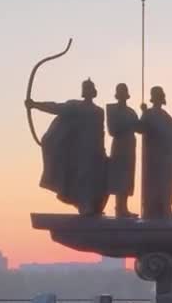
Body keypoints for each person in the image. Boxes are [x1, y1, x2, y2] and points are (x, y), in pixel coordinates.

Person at [27, 78, 107, 216]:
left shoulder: (99, 111)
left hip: (95, 149)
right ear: (84, 92)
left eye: (91, 88)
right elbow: (56, 107)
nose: (89, 91)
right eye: (86, 88)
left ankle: (93, 205)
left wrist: (102, 150)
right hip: (80, 150)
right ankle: (84, 204)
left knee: (98, 179)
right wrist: (35, 105)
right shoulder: (75, 106)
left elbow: (101, 132)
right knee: (82, 177)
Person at [137, 86, 172, 219]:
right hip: (155, 157)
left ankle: (166, 209)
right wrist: (143, 114)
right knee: (156, 183)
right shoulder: (149, 113)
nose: (160, 98)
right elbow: (141, 128)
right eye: (158, 95)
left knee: (167, 182)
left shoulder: (164, 115)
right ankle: (156, 209)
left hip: (166, 156)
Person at [106, 83, 140, 218]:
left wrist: (144, 113)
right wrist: (129, 125)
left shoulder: (131, 112)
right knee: (119, 176)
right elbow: (112, 130)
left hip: (130, 146)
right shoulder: (112, 110)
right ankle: (119, 208)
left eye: (124, 91)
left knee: (127, 177)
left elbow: (139, 128)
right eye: (120, 92)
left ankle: (124, 207)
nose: (122, 94)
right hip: (119, 145)